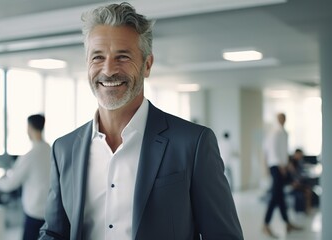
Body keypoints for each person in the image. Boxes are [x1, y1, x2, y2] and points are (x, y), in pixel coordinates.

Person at [39, 2, 243, 240]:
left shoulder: (192, 143)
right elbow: (54, 232)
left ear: (147, 65)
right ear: (87, 64)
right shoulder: (64, 149)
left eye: (123, 57)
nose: (108, 70)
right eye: (98, 57)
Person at [0, 114, 51, 240]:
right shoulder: (51, 150)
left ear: (30, 128)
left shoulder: (30, 156)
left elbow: (10, 183)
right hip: (49, 212)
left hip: (34, 212)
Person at [262, 113, 301, 238]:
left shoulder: (284, 132)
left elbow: (283, 150)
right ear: (278, 119)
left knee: (279, 196)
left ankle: (286, 223)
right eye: (280, 118)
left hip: (282, 166)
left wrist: (287, 164)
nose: (283, 120)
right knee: (275, 196)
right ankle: (266, 225)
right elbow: (272, 150)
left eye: (284, 118)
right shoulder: (275, 132)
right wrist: (281, 166)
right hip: (277, 167)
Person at [287, 148, 313, 214]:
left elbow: (300, 174)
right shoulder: (291, 163)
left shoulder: (300, 162)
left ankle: (307, 209)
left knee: (308, 190)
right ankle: (306, 210)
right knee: (307, 190)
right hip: (293, 183)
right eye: (300, 155)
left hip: (299, 182)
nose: (301, 156)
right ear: (296, 154)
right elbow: (291, 175)